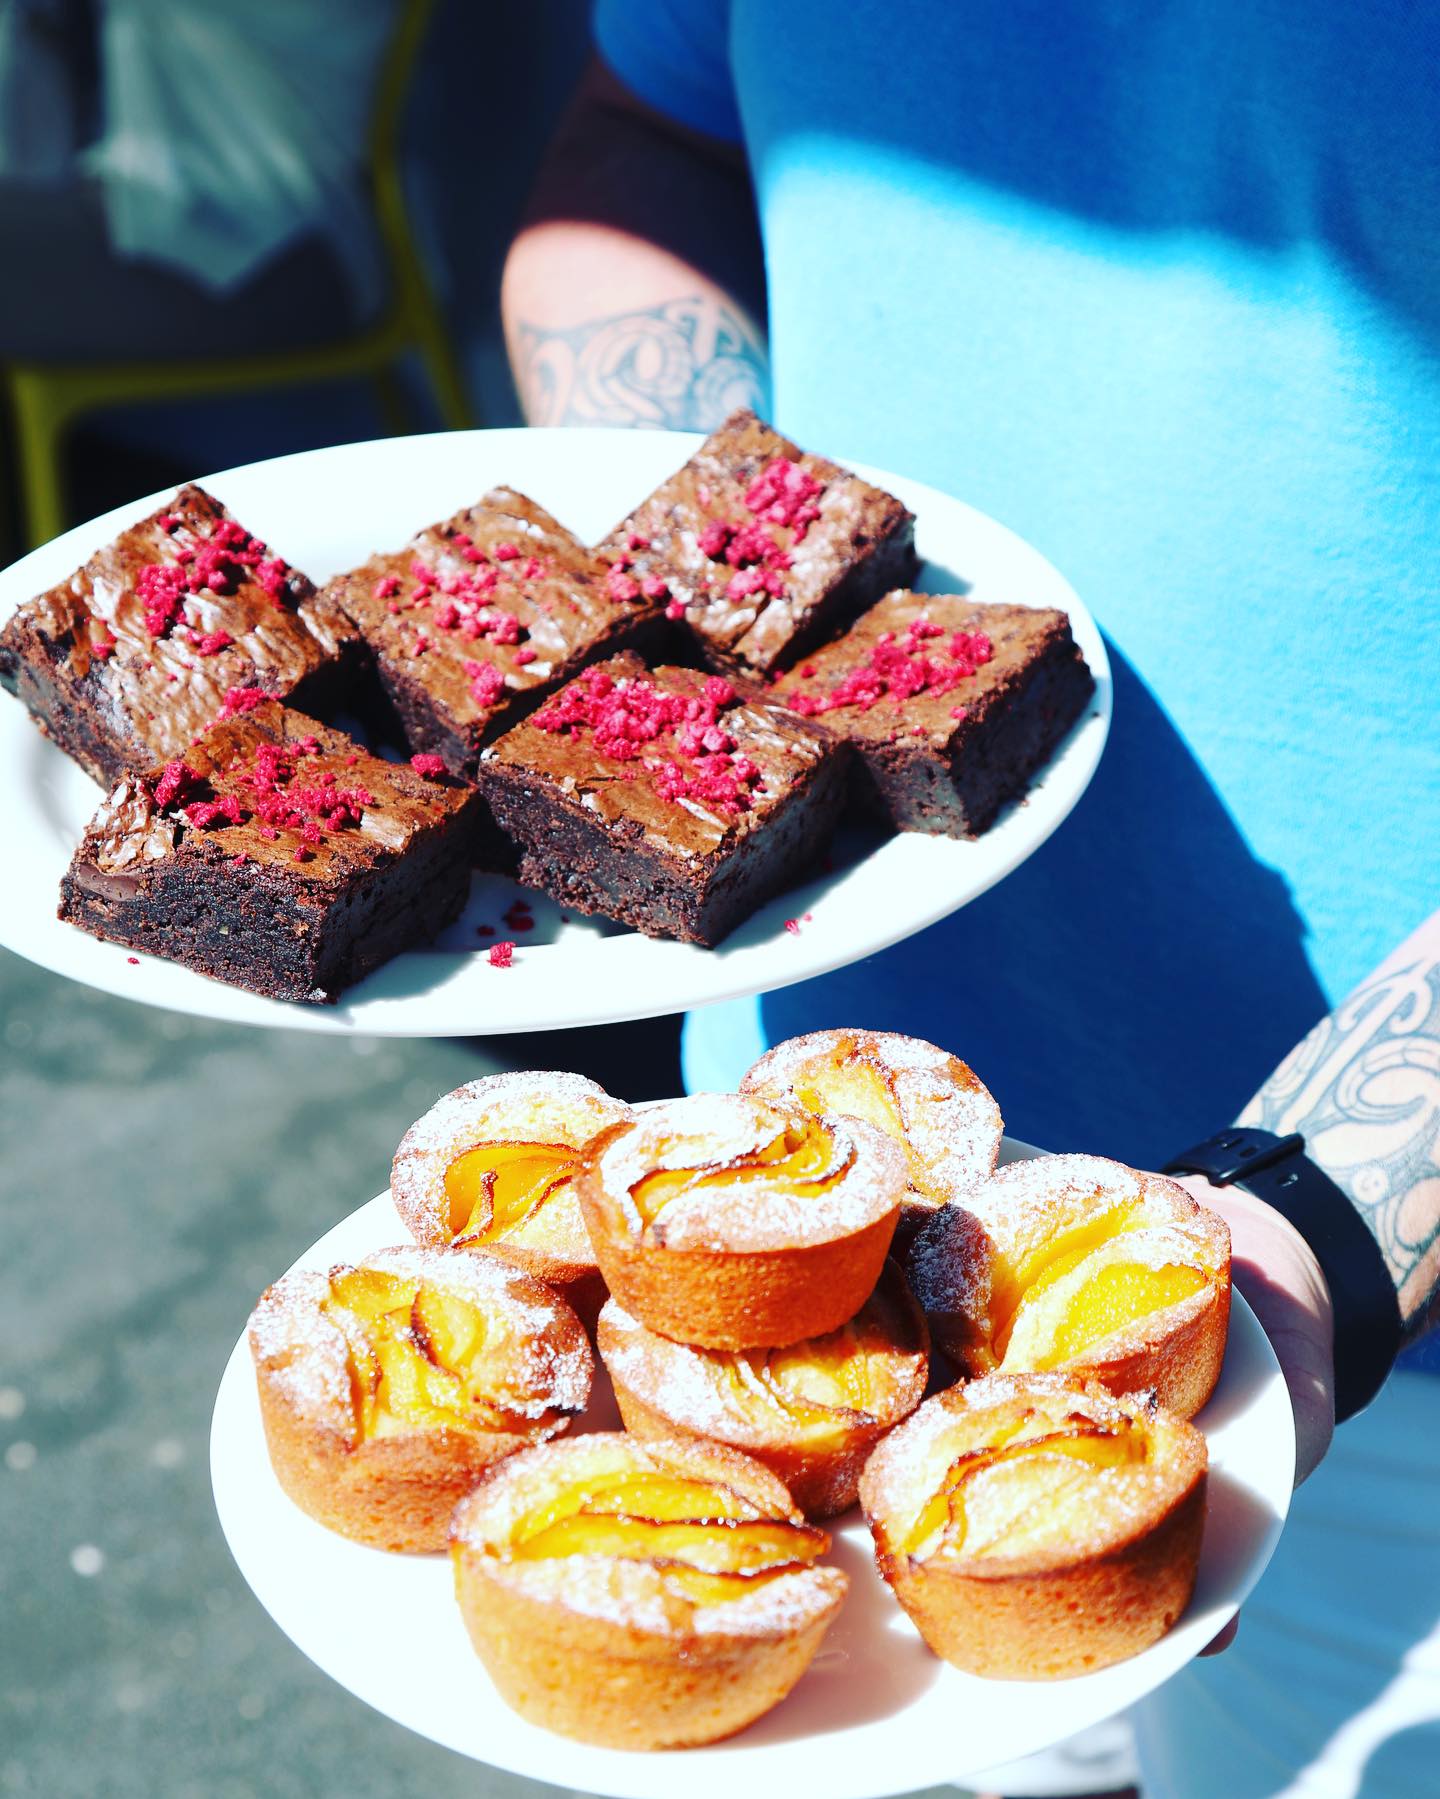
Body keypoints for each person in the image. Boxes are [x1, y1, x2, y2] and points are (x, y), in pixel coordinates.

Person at [502, 7, 1440, 1794]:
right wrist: (693, 646)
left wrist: (1316, 1232)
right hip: (787, 1245)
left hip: (1377, 1338)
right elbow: (651, 137)